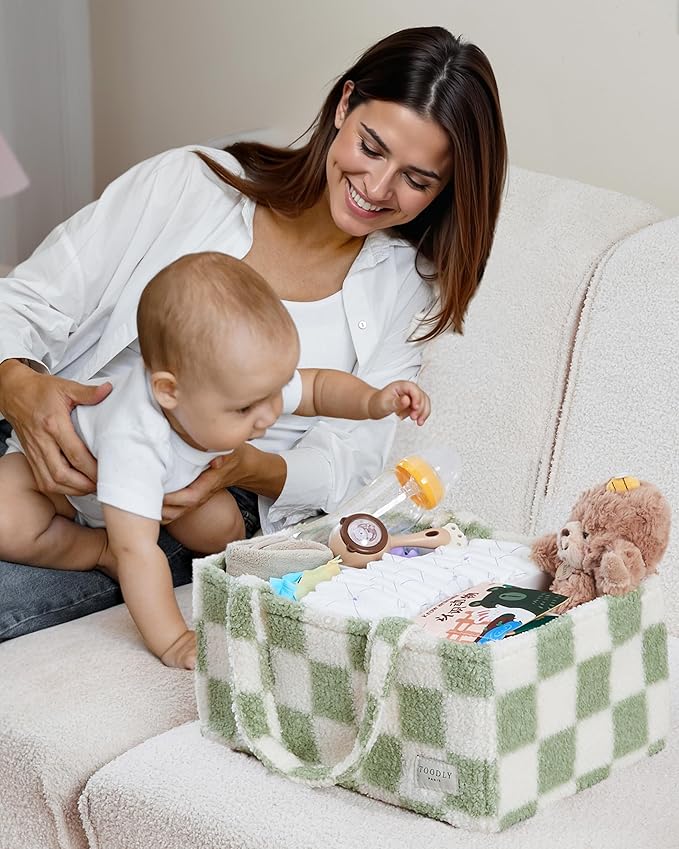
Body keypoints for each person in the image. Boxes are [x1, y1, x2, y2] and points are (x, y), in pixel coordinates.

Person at [0, 25, 507, 639]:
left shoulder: (405, 288)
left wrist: (243, 464)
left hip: (184, 496)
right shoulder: (193, 182)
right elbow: (25, 301)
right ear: (344, 105)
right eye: (371, 148)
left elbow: (347, 461)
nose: (377, 188)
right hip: (53, 427)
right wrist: (20, 389)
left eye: (417, 180)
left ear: (444, 190)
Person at [0, 251, 431, 667]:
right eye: (245, 411)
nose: (266, 418)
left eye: (273, 395)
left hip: (169, 484)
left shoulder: (238, 383)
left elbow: (317, 388)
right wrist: (173, 641)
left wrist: (374, 401)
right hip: (69, 486)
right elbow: (140, 553)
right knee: (9, 519)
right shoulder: (135, 439)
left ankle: (132, 532)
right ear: (169, 391)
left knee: (220, 529)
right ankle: (97, 551)